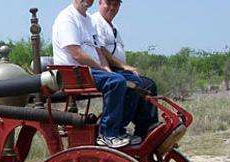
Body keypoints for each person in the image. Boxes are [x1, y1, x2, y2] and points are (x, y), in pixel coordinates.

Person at [52, 0, 136, 148]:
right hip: (74, 73)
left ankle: (120, 129)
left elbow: (99, 51)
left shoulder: (89, 20)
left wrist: (107, 70)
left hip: (89, 71)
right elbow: (76, 53)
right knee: (116, 82)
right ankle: (107, 134)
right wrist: (102, 69)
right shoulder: (67, 18)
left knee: (134, 82)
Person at [92, 0, 159, 138]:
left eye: (115, 4)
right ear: (99, 3)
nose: (111, 7)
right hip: (106, 70)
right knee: (133, 83)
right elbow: (102, 51)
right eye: (108, 3)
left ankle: (147, 129)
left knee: (149, 84)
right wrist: (124, 66)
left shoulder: (113, 27)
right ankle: (114, 129)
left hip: (118, 70)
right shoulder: (95, 22)